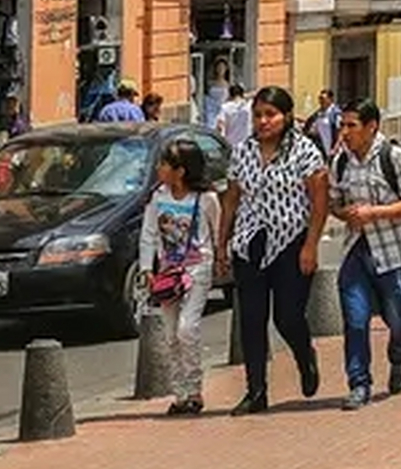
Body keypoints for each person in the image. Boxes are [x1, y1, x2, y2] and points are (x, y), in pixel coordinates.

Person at [216, 86, 329, 415]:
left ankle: (304, 356)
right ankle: (256, 391)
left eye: (270, 115)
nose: (263, 122)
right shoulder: (243, 151)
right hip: (250, 242)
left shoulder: (305, 152)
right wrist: (223, 243)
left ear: (287, 116)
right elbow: (232, 199)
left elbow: (319, 200)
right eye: (258, 115)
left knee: (287, 316)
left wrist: (311, 244)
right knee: (251, 319)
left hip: (291, 240)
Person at [331, 99, 401, 410]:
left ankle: (400, 356)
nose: (344, 133)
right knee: (355, 320)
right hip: (356, 250)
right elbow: (335, 201)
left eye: (351, 126)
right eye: (342, 125)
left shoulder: (394, 158)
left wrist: (374, 213)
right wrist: (344, 212)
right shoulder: (340, 162)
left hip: (391, 252)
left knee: (396, 316)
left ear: (372, 127)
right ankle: (359, 384)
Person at [139, 138, 220, 415]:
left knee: (188, 328)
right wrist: (147, 268)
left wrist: (222, 258)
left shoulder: (205, 198)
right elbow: (149, 234)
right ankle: (180, 393)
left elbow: (217, 230)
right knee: (171, 334)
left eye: (164, 164)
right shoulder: (158, 197)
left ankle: (195, 390)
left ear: (181, 170)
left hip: (197, 269)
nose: (159, 168)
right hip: (168, 273)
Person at [305, 89, 342, 154]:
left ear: (330, 99)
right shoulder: (318, 113)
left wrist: (335, 148)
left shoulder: (336, 114)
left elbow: (340, 132)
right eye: (320, 99)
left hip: (332, 149)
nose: (321, 101)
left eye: (323, 98)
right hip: (322, 148)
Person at [217, 84, 252, 150]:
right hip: (246, 143)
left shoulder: (225, 107)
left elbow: (220, 125)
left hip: (230, 143)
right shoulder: (248, 106)